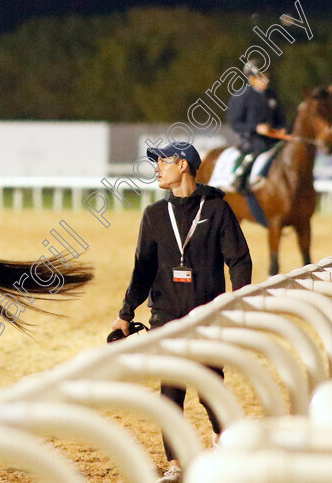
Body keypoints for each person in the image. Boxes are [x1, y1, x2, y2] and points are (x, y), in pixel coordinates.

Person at [110, 142, 252, 483]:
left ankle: (223, 444)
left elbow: (239, 260)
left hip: (208, 317)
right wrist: (125, 314)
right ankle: (175, 463)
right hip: (166, 317)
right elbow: (142, 270)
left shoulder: (217, 209)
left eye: (163, 161)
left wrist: (237, 305)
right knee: (170, 392)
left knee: (210, 388)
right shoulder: (155, 215)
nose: (157, 168)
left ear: (184, 165)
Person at [226, 58, 287, 192]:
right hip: (252, 142)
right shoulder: (241, 96)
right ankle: (240, 183)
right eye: (261, 76)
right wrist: (256, 128)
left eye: (266, 75)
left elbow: (280, 118)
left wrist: (281, 129)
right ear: (250, 78)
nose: (265, 79)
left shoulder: (272, 95)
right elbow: (235, 124)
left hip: (274, 140)